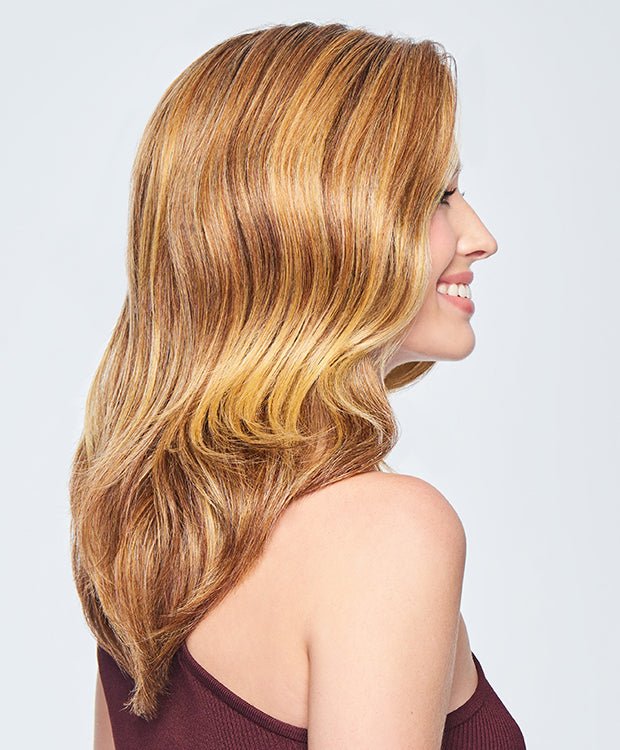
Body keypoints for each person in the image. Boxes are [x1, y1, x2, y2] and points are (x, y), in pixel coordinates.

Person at [70, 20, 526, 749]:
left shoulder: (148, 538)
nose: (481, 237)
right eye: (438, 197)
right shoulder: (387, 531)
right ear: (323, 223)